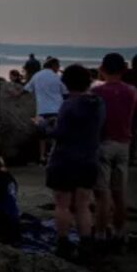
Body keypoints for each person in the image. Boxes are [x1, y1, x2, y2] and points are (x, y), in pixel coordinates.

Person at [46, 65, 104, 258]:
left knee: (62, 204)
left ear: (66, 83)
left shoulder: (69, 105)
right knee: (83, 205)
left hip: (65, 160)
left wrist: (43, 126)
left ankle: (63, 243)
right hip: (89, 160)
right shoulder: (98, 103)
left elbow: (60, 134)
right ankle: (86, 243)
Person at [92, 53, 137, 249]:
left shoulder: (96, 92)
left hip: (103, 144)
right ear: (124, 69)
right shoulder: (132, 91)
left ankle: (101, 234)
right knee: (120, 193)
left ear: (102, 69)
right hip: (124, 144)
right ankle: (120, 232)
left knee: (102, 194)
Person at [25, 57, 66, 164]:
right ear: (54, 66)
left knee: (41, 136)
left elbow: (27, 89)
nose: (58, 68)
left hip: (42, 111)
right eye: (58, 66)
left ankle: (42, 157)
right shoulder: (57, 77)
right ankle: (54, 155)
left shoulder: (37, 75)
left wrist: (16, 95)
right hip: (57, 110)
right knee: (56, 135)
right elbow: (65, 92)